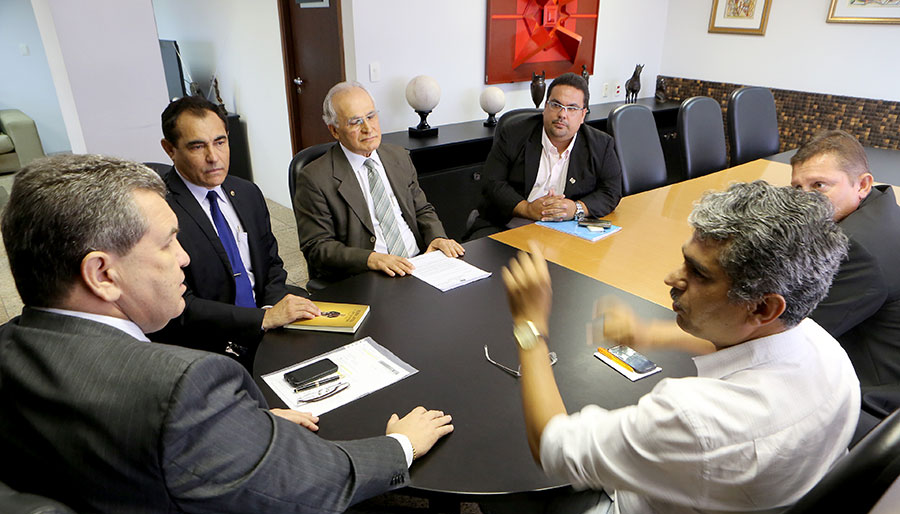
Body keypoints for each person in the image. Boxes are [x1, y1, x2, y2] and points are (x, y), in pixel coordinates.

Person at [0, 154, 461, 514]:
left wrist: (235, 433)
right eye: (167, 244)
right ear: (102, 273)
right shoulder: (181, 386)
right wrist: (401, 444)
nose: (184, 259)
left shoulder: (10, 348)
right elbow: (319, 481)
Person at [487, 181, 858, 514]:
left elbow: (550, 445)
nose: (671, 278)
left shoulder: (697, 419)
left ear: (763, 306)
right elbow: (749, 342)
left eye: (698, 273)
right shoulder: (825, 349)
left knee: (501, 483)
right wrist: (648, 333)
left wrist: (530, 327)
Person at [151, 96, 318, 364]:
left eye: (220, 142)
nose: (213, 157)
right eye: (197, 146)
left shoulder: (247, 192)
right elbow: (178, 304)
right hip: (207, 345)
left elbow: (272, 266)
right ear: (169, 149)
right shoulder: (159, 211)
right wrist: (261, 319)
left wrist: (270, 310)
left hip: (264, 324)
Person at [293, 81, 464, 281]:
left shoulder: (398, 156)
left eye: (371, 116)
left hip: (419, 264)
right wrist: (371, 259)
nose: (368, 128)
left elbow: (421, 209)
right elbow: (318, 247)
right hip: (368, 275)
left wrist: (437, 237)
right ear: (334, 131)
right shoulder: (314, 178)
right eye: (355, 121)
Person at [790, 130, 900, 411]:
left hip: (874, 402)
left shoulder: (856, 249)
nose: (805, 201)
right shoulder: (882, 210)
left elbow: (791, 335)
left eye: (819, 186)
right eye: (797, 189)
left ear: (862, 185)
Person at [476, 72, 622, 235]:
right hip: (508, 228)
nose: (562, 114)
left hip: (565, 233)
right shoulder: (514, 134)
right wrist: (527, 209)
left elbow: (611, 191)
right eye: (556, 105)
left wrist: (576, 208)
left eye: (572, 108)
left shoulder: (600, 145)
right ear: (545, 107)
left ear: (583, 115)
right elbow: (492, 183)